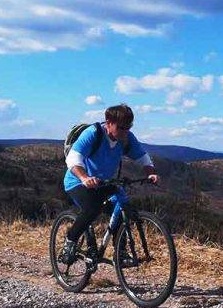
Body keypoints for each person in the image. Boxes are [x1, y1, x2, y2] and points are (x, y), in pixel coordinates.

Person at [60, 104, 158, 264]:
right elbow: (73, 158)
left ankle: (121, 253)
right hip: (77, 182)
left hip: (103, 183)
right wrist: (85, 178)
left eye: (128, 127)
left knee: (121, 209)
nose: (125, 131)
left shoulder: (126, 137)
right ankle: (70, 241)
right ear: (108, 122)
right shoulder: (93, 133)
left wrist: (151, 172)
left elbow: (143, 157)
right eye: (121, 127)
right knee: (92, 208)